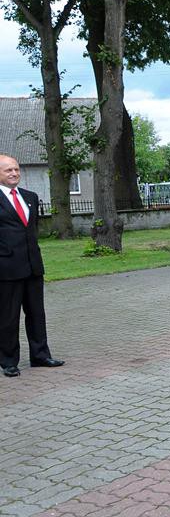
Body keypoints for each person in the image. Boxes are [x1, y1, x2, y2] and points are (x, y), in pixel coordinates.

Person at [0, 154, 63, 378]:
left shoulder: (30, 197)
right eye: (8, 170)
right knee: (8, 317)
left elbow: (32, 230)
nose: (14, 173)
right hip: (7, 268)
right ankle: (8, 361)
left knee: (37, 313)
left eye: (16, 169)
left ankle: (40, 355)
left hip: (32, 266)